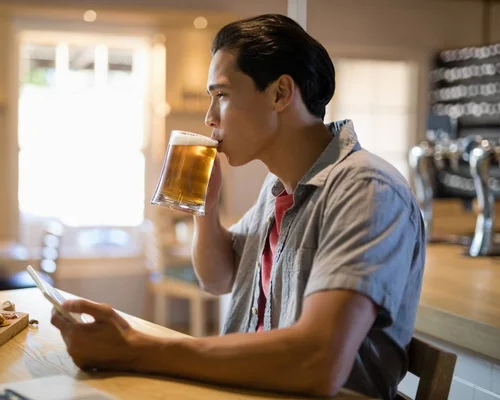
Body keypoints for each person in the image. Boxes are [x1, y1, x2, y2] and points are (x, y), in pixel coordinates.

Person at [51, 14, 425, 400]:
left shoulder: (365, 189)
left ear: (280, 93)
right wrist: (205, 206)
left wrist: (137, 349)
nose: (209, 117)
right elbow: (219, 277)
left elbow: (317, 361)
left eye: (223, 95)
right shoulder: (278, 187)